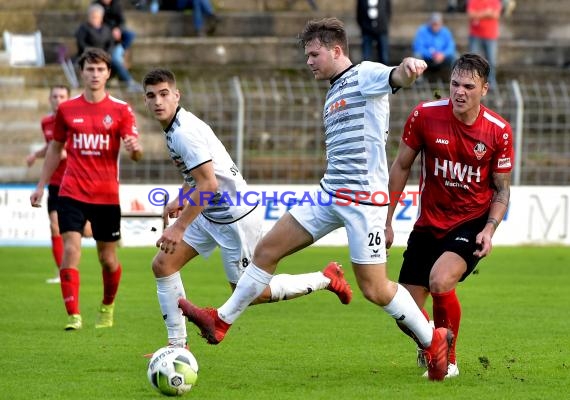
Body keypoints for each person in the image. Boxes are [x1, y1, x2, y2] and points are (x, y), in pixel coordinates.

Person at [178, 17, 454, 381]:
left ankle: (433, 342)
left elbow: (395, 77)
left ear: (336, 50)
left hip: (363, 202)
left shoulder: (364, 74)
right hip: (329, 194)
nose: (308, 61)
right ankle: (221, 322)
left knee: (374, 288)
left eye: (314, 54)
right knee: (266, 251)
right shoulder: (334, 90)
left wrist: (409, 68)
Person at [142, 68, 352, 352]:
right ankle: (177, 346)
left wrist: (179, 227)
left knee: (252, 294)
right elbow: (198, 175)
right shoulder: (175, 128)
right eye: (151, 96)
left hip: (234, 218)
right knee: (163, 265)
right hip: (210, 213)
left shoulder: (184, 133)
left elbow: (207, 183)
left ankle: (325, 278)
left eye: (164, 94)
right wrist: (182, 195)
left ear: (176, 95)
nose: (158, 101)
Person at [386, 53, 513, 378]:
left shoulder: (498, 131)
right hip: (428, 223)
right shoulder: (424, 116)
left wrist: (489, 229)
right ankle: (430, 339)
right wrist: (385, 221)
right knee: (404, 312)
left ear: (484, 89)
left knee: (441, 280)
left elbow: (501, 190)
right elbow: (401, 166)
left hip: (470, 222)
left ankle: (447, 361)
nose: (459, 91)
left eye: (469, 86)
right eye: (455, 84)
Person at [30, 48, 143, 331]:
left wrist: (136, 149)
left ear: (108, 73)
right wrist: (41, 185)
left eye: (100, 69)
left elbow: (135, 152)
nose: (95, 74)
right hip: (71, 191)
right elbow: (55, 150)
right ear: (82, 72)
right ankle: (74, 315)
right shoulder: (67, 110)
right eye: (90, 69)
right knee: (71, 249)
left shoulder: (121, 110)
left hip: (106, 196)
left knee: (108, 258)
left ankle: (107, 307)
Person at [26, 85, 93, 284]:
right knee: (54, 227)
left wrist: (67, 153)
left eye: (62, 96)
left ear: (68, 98)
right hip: (56, 184)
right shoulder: (46, 122)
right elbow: (52, 145)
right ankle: (62, 273)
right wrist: (35, 155)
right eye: (54, 96)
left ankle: (94, 229)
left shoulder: (76, 119)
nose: (58, 99)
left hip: (76, 181)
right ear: (50, 99)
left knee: (83, 232)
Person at [75, 3, 143, 92]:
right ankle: (128, 82)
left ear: (101, 17)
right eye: (93, 17)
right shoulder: (83, 28)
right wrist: (96, 53)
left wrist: (105, 54)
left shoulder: (106, 28)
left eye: (97, 17)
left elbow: (111, 44)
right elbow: (82, 44)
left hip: (104, 55)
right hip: (89, 55)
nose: (95, 19)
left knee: (115, 61)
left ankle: (128, 83)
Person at [466, 0, 502, 90]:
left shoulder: (494, 1)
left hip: (491, 35)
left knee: (492, 61)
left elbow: (496, 15)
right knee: (473, 61)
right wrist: (486, 13)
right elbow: (470, 15)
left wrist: (478, 15)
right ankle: (473, 81)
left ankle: (491, 83)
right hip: (475, 35)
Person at [412, 12, 457, 81]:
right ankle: (418, 81)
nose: (435, 26)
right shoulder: (422, 31)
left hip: (442, 58)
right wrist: (432, 55)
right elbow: (418, 47)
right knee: (417, 56)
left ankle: (454, 80)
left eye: (437, 24)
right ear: (429, 23)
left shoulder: (446, 32)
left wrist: (443, 55)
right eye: (434, 24)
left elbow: (451, 47)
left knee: (455, 56)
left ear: (441, 24)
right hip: (427, 58)